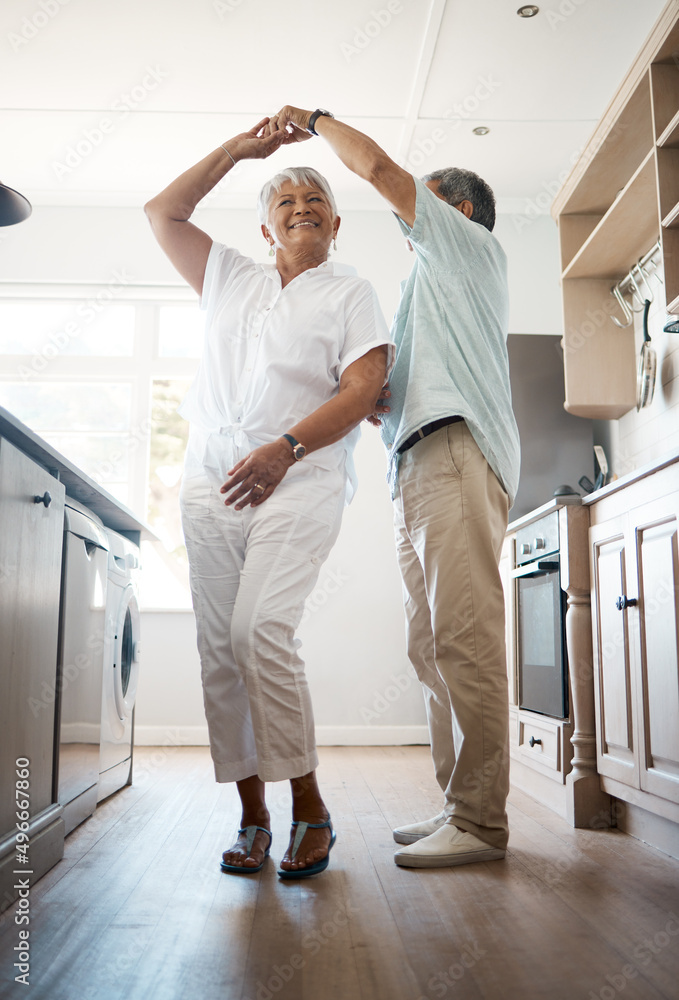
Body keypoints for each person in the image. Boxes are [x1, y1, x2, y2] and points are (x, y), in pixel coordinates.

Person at [268, 106, 520, 868]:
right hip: (414, 462)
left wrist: (315, 120)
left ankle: (480, 823)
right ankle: (458, 806)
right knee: (431, 647)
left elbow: (377, 171)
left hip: (452, 451)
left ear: (459, 208)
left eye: (425, 198)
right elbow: (392, 386)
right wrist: (378, 396)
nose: (408, 209)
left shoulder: (467, 246)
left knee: (464, 640)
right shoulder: (428, 287)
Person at [144, 118, 392, 878]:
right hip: (212, 478)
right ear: (264, 225)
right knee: (219, 652)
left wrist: (285, 448)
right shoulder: (231, 275)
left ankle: (310, 808)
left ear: (336, 222)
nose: (299, 201)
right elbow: (162, 214)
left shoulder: (350, 291)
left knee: (259, 632)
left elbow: (365, 388)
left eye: (313, 194)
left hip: (301, 475)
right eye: (283, 197)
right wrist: (238, 151)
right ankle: (252, 817)